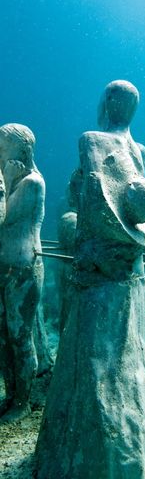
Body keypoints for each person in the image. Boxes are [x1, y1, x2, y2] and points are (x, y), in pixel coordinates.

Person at [35, 81, 145, 478]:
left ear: (107, 104)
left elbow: (96, 202)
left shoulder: (92, 140)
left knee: (97, 363)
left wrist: (95, 252)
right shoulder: (141, 152)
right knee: (130, 358)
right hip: (128, 271)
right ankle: (139, 452)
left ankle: (90, 460)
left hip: (101, 270)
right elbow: (134, 213)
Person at [0, 123, 45, 423]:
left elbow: (2, 218)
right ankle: (12, 392)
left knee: (19, 336)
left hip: (23, 269)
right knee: (4, 336)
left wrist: (4, 182)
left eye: (2, 148)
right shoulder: (16, 179)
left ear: (21, 151)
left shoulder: (31, 183)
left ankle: (23, 401)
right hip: (7, 267)